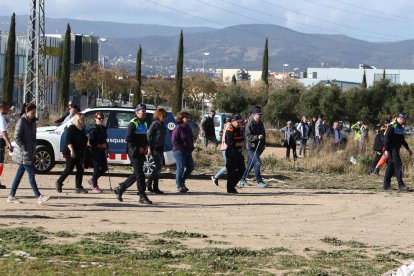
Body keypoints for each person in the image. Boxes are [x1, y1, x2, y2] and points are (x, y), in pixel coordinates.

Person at [8, 103, 50, 204]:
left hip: (30, 152)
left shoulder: (34, 122)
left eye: (34, 112)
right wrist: (24, 148)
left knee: (19, 174)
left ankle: (11, 196)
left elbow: (34, 136)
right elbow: (16, 137)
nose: (34, 114)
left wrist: (34, 145)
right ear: (26, 112)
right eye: (32, 113)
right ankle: (39, 196)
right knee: (31, 174)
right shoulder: (21, 121)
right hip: (24, 153)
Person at [113, 104, 152, 204]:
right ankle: (142, 195)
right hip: (133, 151)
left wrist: (147, 146)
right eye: (141, 111)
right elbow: (128, 138)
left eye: (144, 111)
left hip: (141, 151)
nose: (143, 112)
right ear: (137, 112)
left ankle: (120, 188)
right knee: (140, 174)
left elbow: (145, 137)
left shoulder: (145, 122)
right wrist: (138, 147)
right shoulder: (133, 123)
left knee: (137, 173)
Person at [55, 113, 89, 194]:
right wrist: (72, 151)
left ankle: (78, 187)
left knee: (80, 169)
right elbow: (68, 141)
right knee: (69, 169)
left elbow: (84, 139)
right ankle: (59, 182)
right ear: (78, 120)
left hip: (80, 152)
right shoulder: (72, 128)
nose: (84, 121)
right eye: (83, 119)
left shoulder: (82, 129)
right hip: (71, 151)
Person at [383, 113, 412, 190]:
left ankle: (386, 185)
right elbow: (386, 139)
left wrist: (408, 149)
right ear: (400, 118)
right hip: (392, 149)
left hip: (396, 149)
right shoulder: (392, 126)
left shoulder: (400, 127)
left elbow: (402, 140)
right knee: (398, 164)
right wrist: (386, 150)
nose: (405, 121)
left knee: (391, 167)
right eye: (404, 119)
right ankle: (401, 185)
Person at [239, 107, 266, 188]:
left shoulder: (261, 123)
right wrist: (257, 137)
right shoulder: (249, 124)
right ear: (254, 115)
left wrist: (264, 143)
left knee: (250, 164)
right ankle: (259, 181)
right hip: (251, 147)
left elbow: (264, 134)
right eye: (259, 114)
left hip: (259, 146)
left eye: (261, 114)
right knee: (257, 163)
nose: (260, 116)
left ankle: (242, 179)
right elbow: (247, 137)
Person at [172, 111, 195, 193]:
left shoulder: (188, 127)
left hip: (188, 151)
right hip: (179, 151)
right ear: (181, 118)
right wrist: (180, 148)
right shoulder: (178, 128)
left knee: (190, 167)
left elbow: (190, 138)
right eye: (186, 117)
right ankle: (179, 185)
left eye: (188, 117)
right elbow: (174, 140)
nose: (188, 119)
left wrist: (191, 146)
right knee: (180, 169)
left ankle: (181, 181)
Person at [146, 108, 168, 194]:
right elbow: (148, 136)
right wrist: (149, 148)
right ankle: (149, 182)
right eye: (164, 116)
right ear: (159, 116)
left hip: (161, 147)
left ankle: (155, 187)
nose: (165, 118)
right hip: (154, 147)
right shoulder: (154, 124)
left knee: (158, 168)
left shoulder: (162, 124)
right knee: (158, 166)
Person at [87, 111, 109, 193]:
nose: (101, 120)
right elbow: (90, 142)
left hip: (102, 151)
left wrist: (107, 148)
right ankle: (94, 186)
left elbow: (104, 139)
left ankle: (93, 179)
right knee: (96, 168)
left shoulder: (103, 128)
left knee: (105, 167)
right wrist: (99, 145)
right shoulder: (93, 129)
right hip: (94, 151)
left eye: (102, 118)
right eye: (99, 118)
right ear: (95, 119)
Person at [224, 115, 245, 193]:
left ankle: (232, 186)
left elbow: (242, 140)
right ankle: (230, 188)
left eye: (241, 122)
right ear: (233, 121)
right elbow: (230, 143)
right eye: (238, 122)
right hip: (231, 152)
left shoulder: (239, 129)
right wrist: (240, 144)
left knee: (242, 169)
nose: (240, 123)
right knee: (231, 171)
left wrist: (242, 144)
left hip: (238, 153)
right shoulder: (230, 129)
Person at [211, 117, 231, 186]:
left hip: (225, 147)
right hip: (226, 147)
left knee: (230, 165)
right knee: (229, 165)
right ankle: (216, 177)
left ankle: (231, 181)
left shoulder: (226, 125)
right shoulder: (229, 125)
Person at [0, 102, 13, 189]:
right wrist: (9, 143)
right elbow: (3, 132)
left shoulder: (2, 117)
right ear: (2, 108)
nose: (8, 110)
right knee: (0, 163)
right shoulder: (1, 118)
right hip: (0, 140)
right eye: (7, 108)